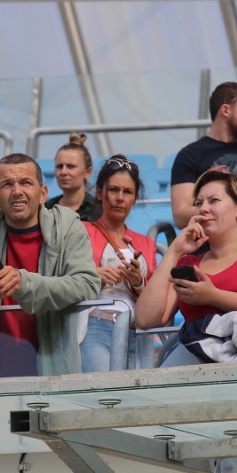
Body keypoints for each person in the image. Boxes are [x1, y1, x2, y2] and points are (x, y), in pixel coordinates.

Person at [0, 153, 100, 378]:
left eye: (26, 182)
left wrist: (24, 282)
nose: (17, 191)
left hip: (53, 374)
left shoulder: (68, 224)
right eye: (7, 184)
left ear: (43, 194)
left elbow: (87, 284)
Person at [136, 170, 237, 366]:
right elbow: (145, 318)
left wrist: (213, 296)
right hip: (194, 373)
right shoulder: (188, 263)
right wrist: (175, 250)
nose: (203, 209)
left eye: (213, 200)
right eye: (198, 203)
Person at [80, 155, 157, 372]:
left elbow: (157, 297)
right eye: (114, 190)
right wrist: (95, 276)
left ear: (134, 198)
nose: (120, 197)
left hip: (137, 331)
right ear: (99, 192)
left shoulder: (146, 243)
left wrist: (138, 281)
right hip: (96, 325)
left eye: (128, 192)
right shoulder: (82, 232)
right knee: (107, 396)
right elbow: (63, 277)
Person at [171, 82, 237, 240]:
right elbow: (180, 216)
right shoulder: (190, 155)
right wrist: (221, 208)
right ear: (226, 110)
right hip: (207, 257)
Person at [45, 133, 102, 223]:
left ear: (88, 172)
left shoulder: (99, 211)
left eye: (71, 166)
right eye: (59, 166)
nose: (63, 172)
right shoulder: (46, 210)